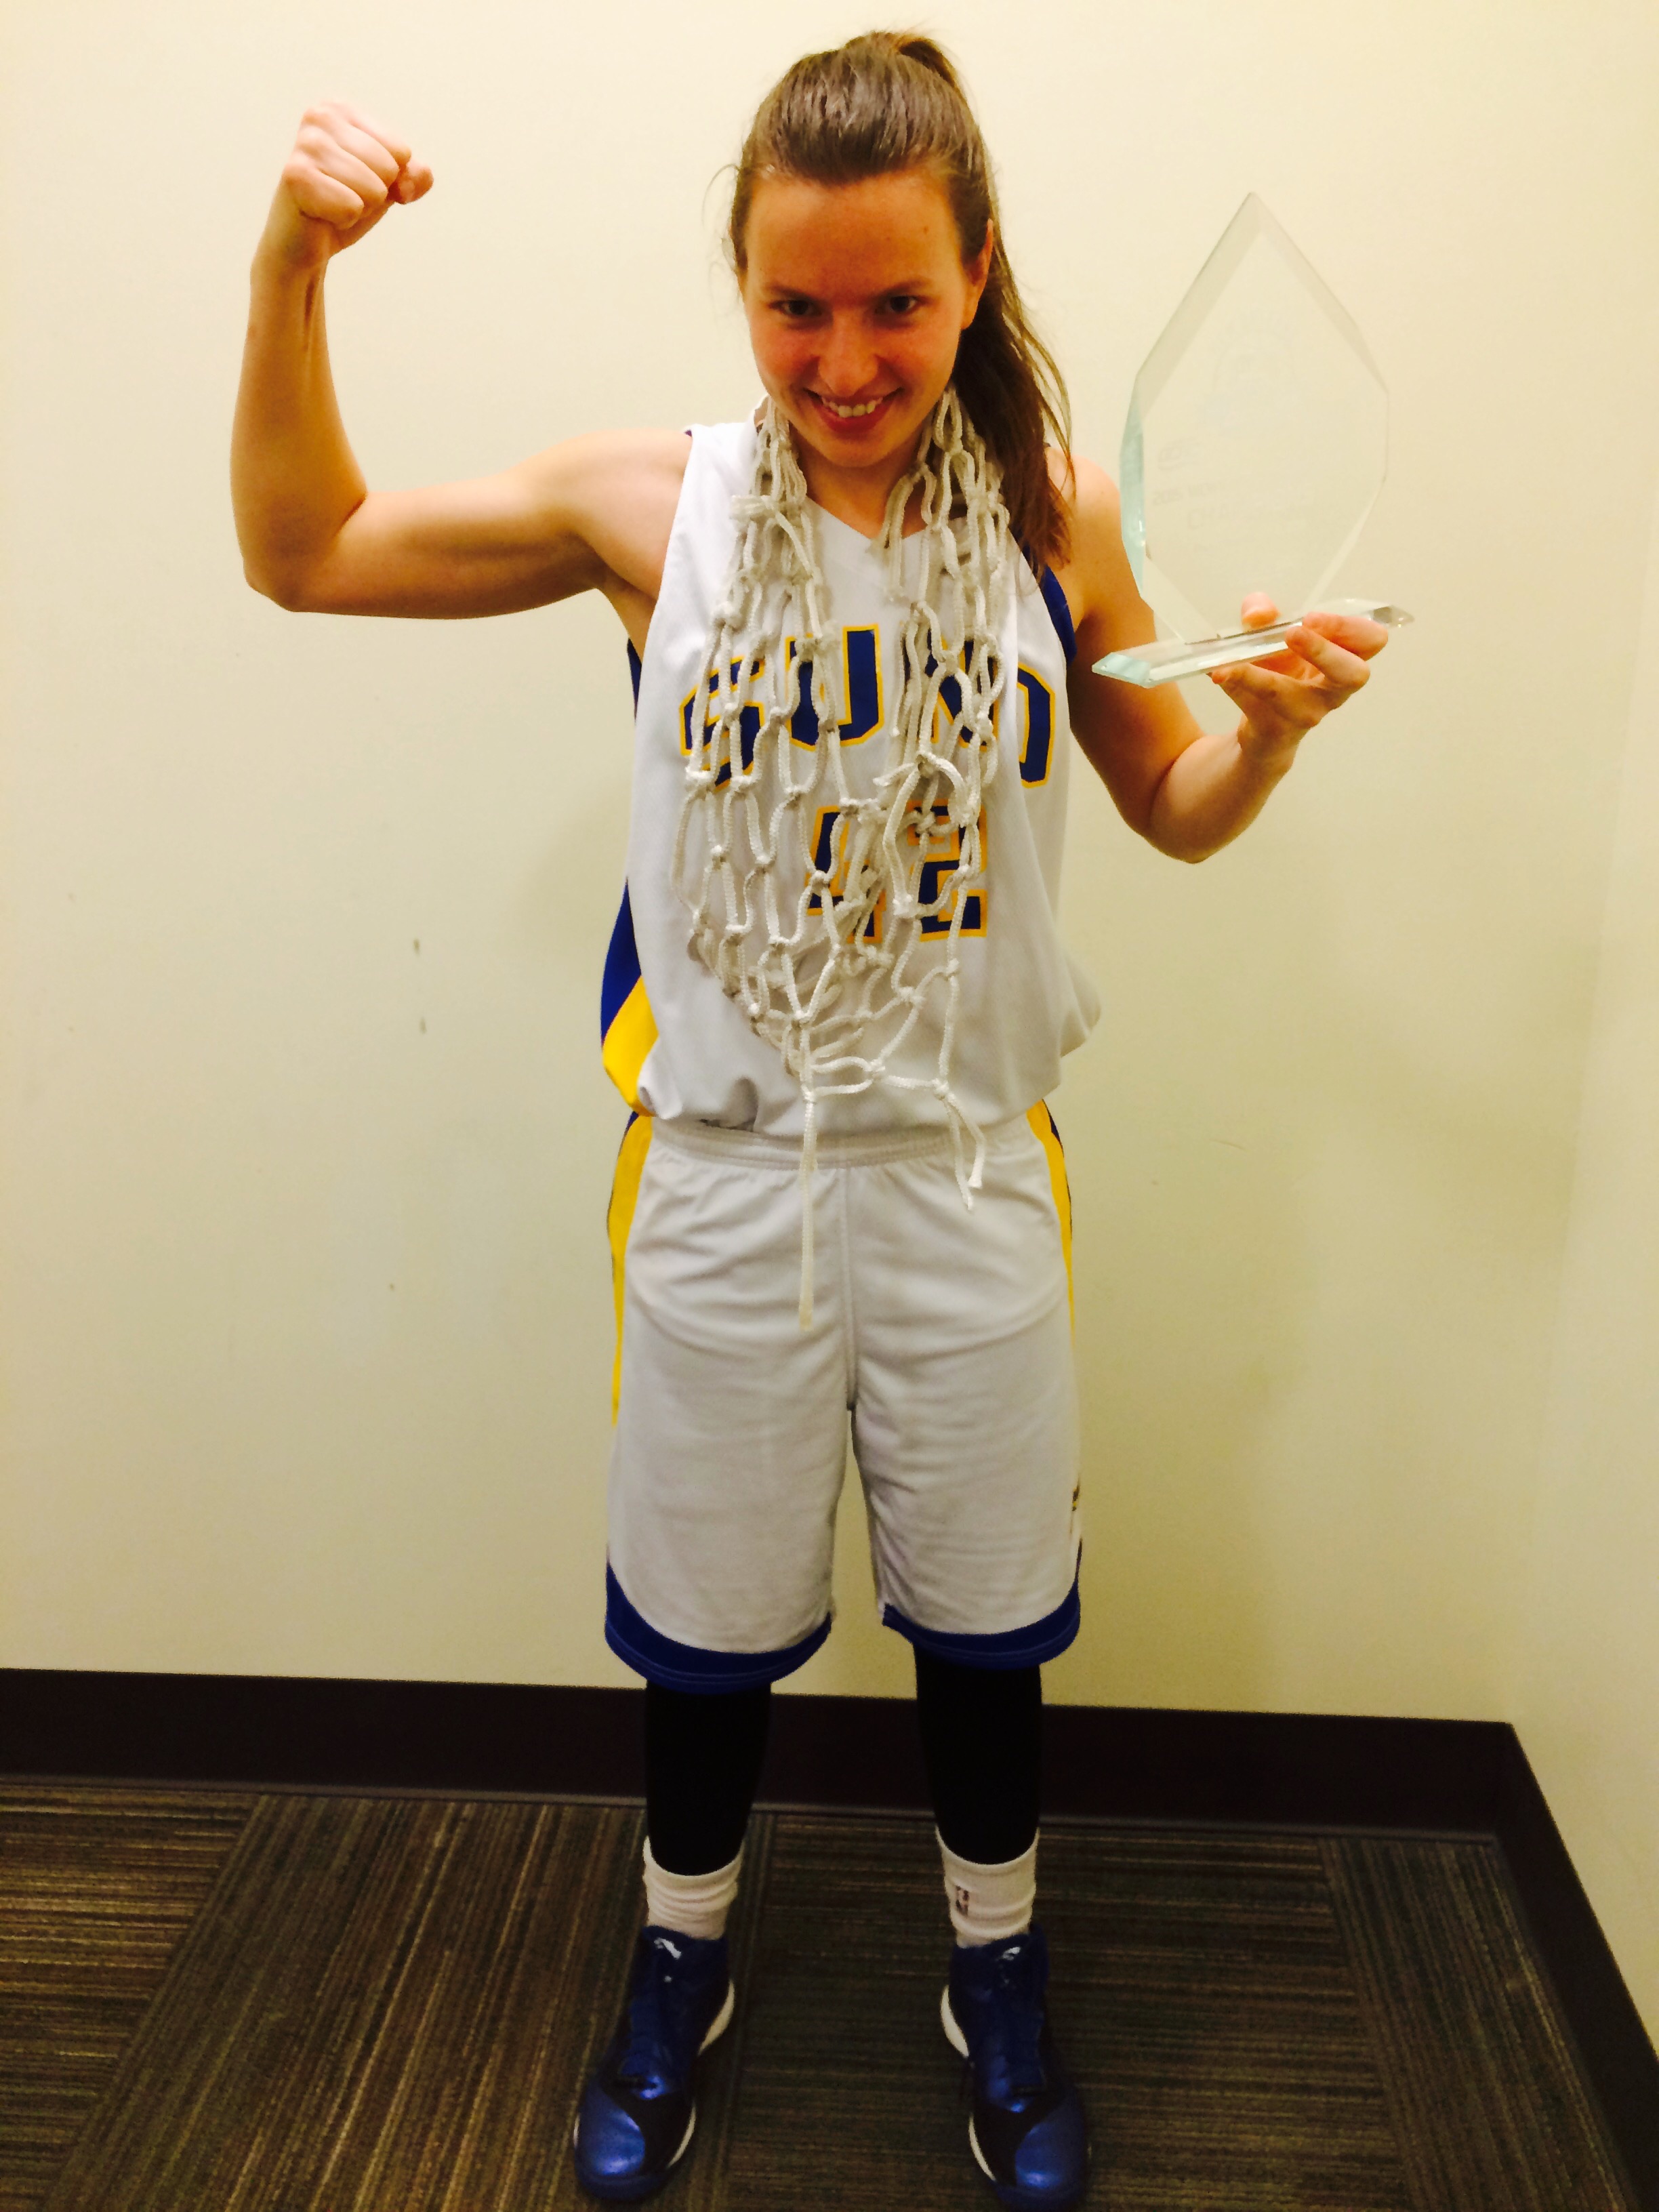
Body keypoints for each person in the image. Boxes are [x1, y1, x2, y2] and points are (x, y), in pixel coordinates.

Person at [233, 32, 1385, 2209]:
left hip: (965, 1175)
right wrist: (294, 262)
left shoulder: (1056, 514)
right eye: (797, 305)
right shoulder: (647, 506)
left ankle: (996, 1963)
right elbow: (304, 548)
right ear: (742, 287)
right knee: (703, 1630)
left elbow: (1174, 803)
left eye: (896, 304)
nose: (846, 360)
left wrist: (1274, 732)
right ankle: (682, 1953)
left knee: (986, 1627)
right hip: (726, 1173)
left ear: (975, 278)